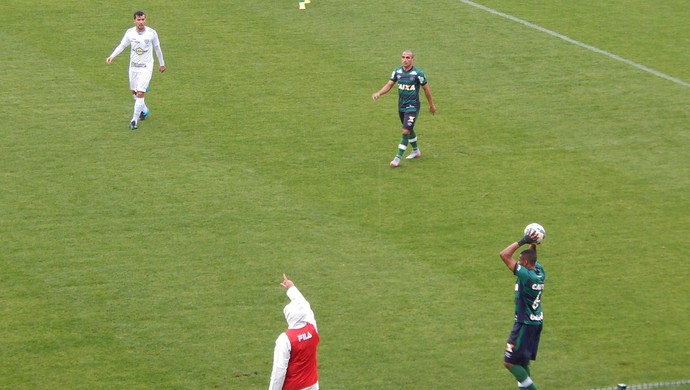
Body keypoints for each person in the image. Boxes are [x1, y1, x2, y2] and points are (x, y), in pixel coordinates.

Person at [372, 50, 436, 167]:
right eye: (403, 57)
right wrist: (379, 93)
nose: (405, 60)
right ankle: (416, 151)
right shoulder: (397, 71)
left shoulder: (418, 74)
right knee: (409, 129)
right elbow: (389, 84)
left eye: (408, 57)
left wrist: (431, 105)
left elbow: (426, 89)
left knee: (405, 130)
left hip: (413, 106)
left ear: (412, 59)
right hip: (401, 107)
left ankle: (397, 158)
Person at [498, 231, 546, 390]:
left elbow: (504, 255)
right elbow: (534, 258)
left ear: (525, 263)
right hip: (535, 323)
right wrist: (534, 242)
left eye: (519, 260)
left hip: (524, 324)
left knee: (509, 362)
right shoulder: (539, 272)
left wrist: (523, 240)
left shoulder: (526, 276)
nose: (516, 262)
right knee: (521, 362)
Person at [106, 10, 166, 130]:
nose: (141, 22)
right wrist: (112, 56)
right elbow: (122, 45)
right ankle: (144, 110)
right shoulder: (130, 33)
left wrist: (162, 64)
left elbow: (157, 48)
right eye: (138, 20)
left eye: (143, 19)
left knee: (140, 93)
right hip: (133, 67)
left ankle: (134, 120)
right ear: (134, 21)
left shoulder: (151, 33)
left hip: (146, 67)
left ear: (145, 20)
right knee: (134, 92)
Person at [269, 274, 320, 390]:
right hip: (312, 385)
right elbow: (305, 307)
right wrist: (292, 288)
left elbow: (279, 370)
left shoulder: (285, 339)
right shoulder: (312, 328)